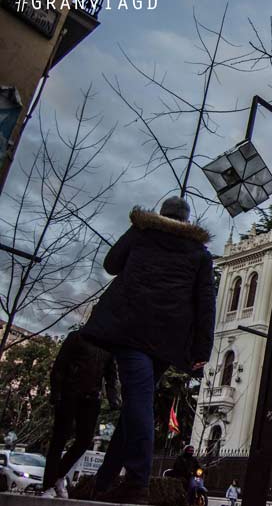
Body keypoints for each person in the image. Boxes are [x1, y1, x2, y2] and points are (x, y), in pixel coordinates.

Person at [81, 197, 216, 504]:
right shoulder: (199, 253)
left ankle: (137, 481)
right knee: (137, 401)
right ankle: (105, 481)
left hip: (130, 329)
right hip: (168, 340)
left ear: (162, 214)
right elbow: (206, 304)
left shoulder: (141, 233)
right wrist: (201, 349)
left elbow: (111, 264)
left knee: (137, 401)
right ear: (186, 220)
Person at [41, 331, 120, 498]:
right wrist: (56, 391)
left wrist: (114, 398)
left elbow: (111, 375)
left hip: (91, 398)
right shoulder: (77, 337)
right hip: (70, 393)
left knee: (84, 440)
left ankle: (58, 476)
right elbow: (60, 365)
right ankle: (48, 486)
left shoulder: (108, 345)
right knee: (59, 439)